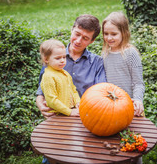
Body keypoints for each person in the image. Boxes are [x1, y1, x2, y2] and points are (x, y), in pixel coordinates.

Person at [36, 14, 107, 164]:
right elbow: (42, 89)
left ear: (92, 41)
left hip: (85, 120)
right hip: (57, 119)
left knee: (85, 157)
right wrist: (40, 101)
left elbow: (101, 94)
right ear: (72, 29)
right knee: (54, 156)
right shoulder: (54, 55)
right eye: (77, 34)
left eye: (85, 38)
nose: (78, 40)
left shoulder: (97, 63)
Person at [102, 11, 145, 164]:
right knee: (116, 145)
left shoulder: (130, 53)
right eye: (106, 33)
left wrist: (138, 100)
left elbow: (138, 83)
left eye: (113, 34)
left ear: (124, 32)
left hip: (131, 107)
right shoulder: (105, 53)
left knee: (133, 146)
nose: (109, 38)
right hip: (112, 109)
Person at [40, 39, 80, 117]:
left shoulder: (65, 73)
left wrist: (78, 102)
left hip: (68, 112)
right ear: (46, 59)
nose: (62, 61)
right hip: (56, 115)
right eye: (58, 58)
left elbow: (73, 90)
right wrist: (69, 112)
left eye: (64, 57)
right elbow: (51, 100)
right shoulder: (48, 76)